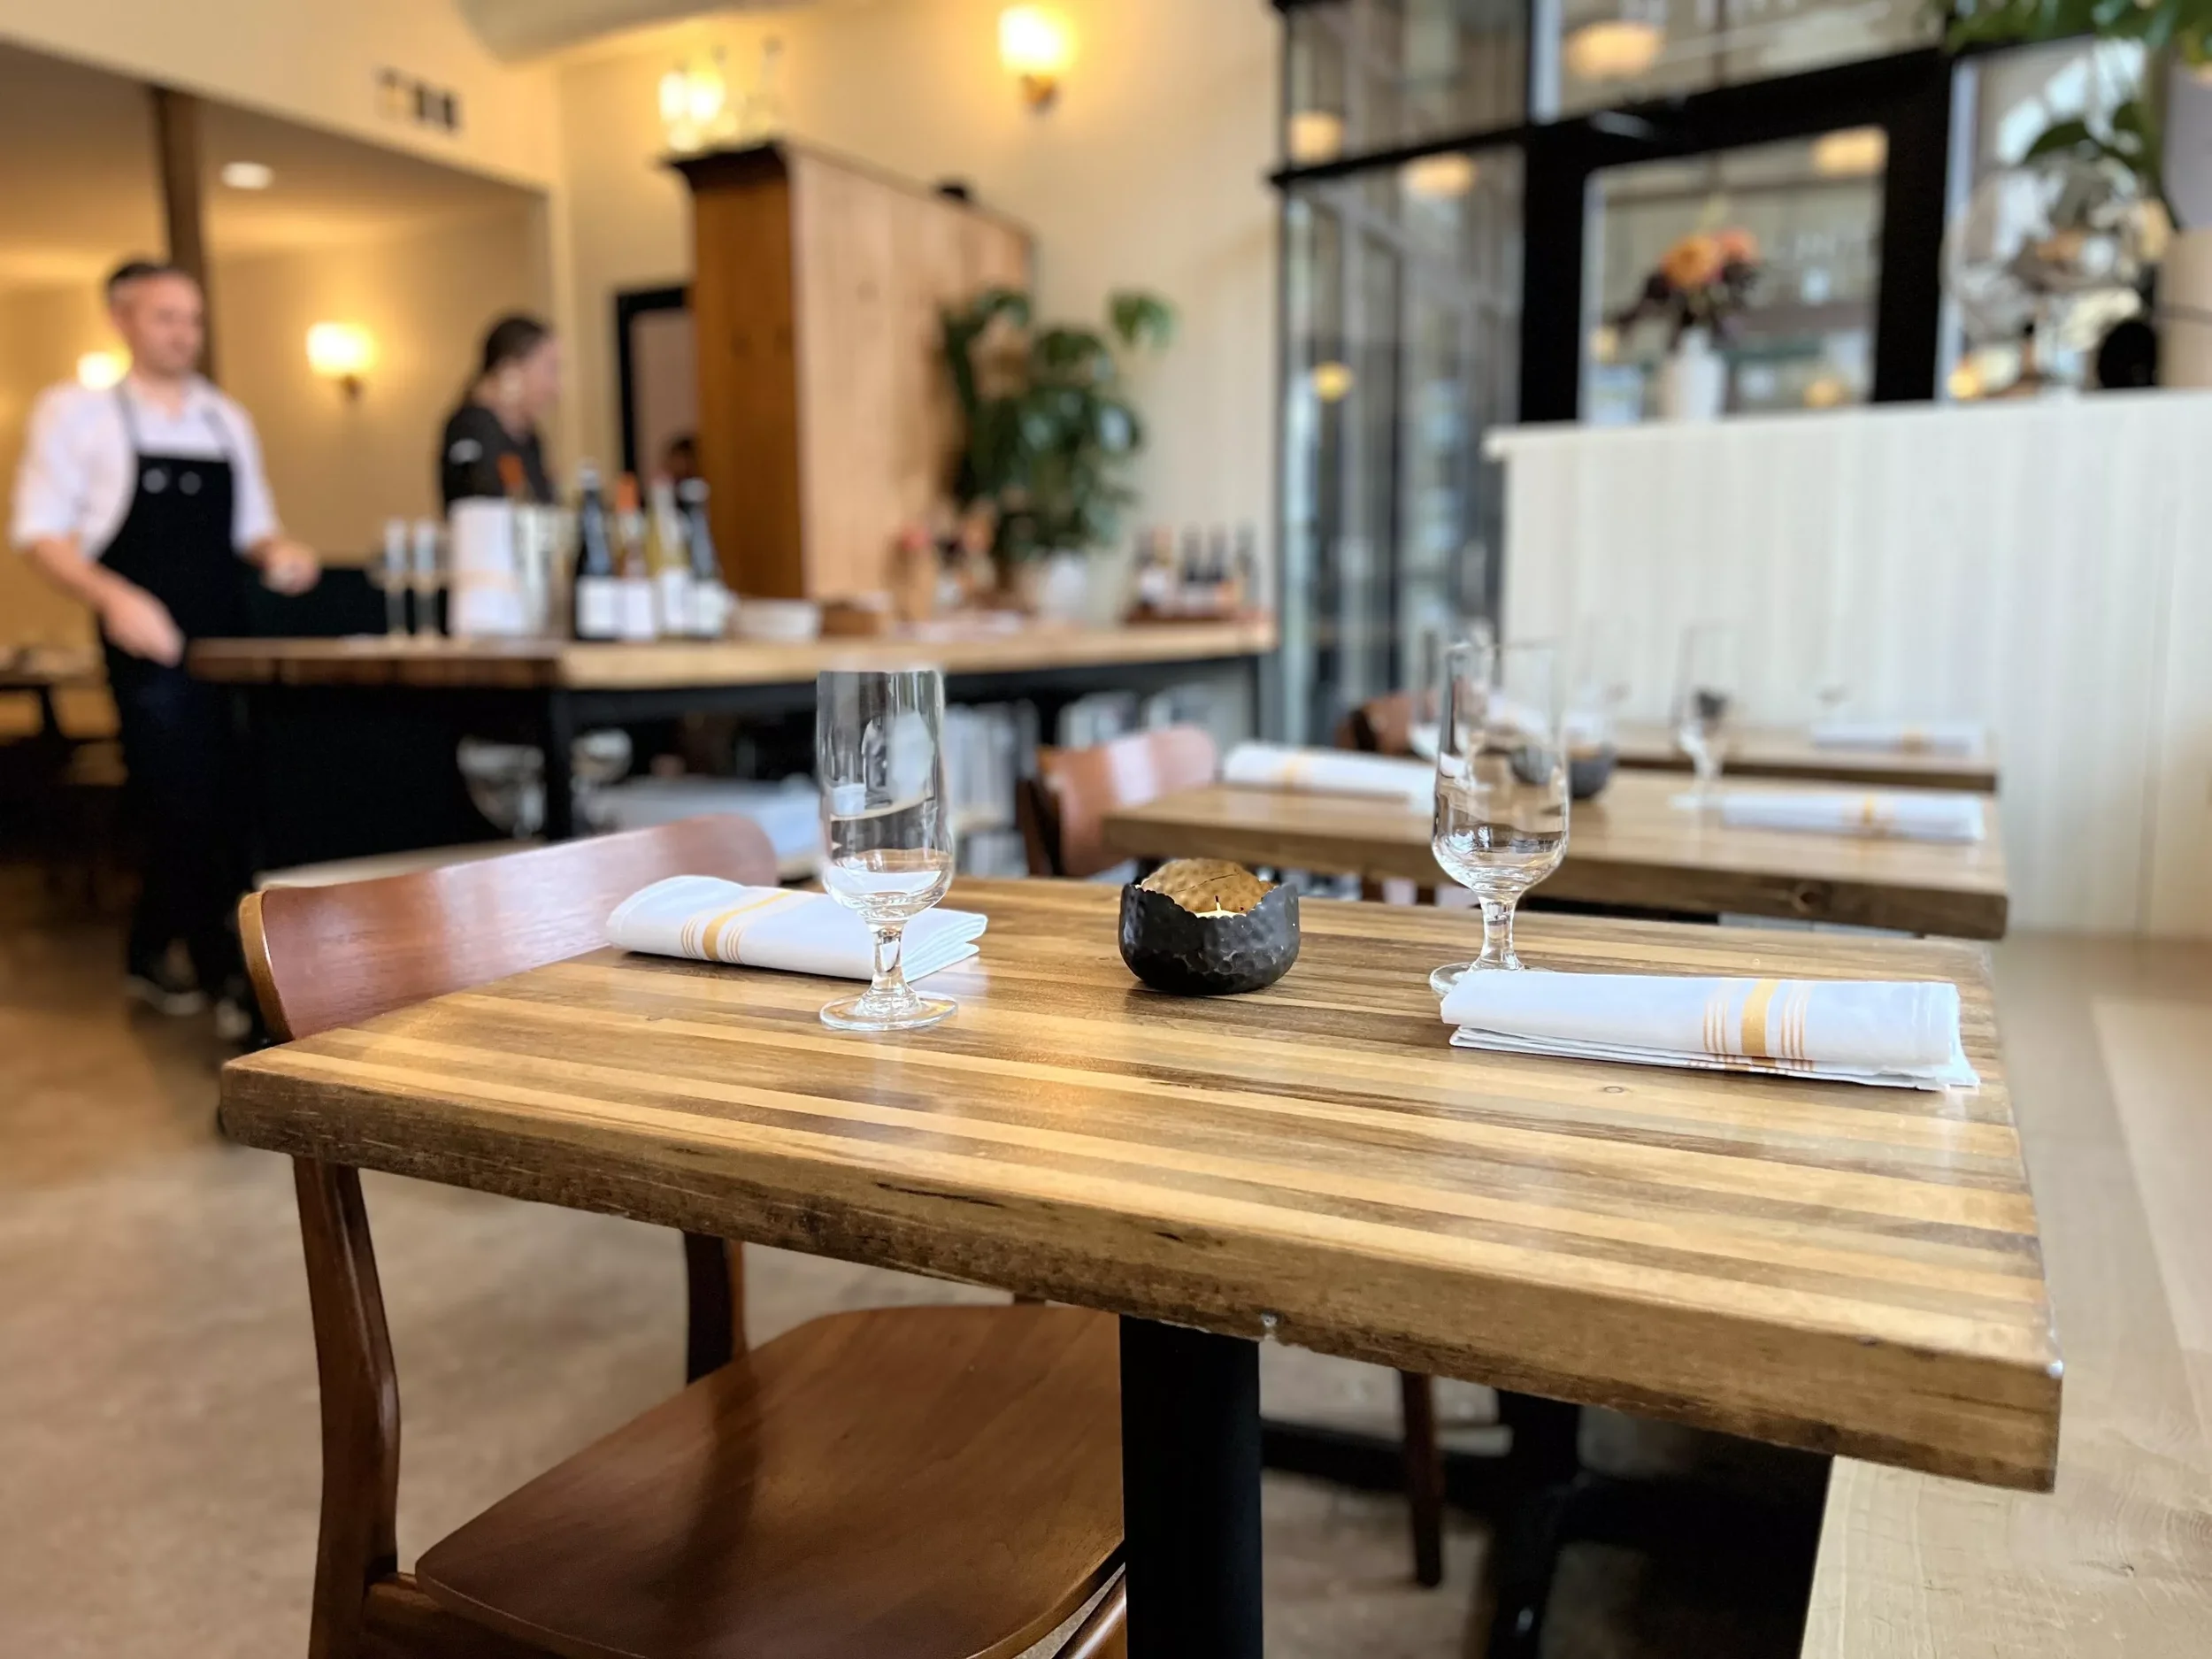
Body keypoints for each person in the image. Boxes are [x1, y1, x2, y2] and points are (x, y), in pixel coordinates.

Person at [11, 259, 319, 1037]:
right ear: (122, 319)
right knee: (177, 798)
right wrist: (113, 595)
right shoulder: (76, 412)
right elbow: (38, 531)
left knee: (230, 796)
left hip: (227, 637)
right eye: (166, 317)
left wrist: (285, 554)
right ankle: (221, 973)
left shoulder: (223, 417)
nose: (184, 333)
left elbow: (253, 528)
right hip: (143, 634)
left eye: (193, 319)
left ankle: (153, 948)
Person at [439, 313, 560, 508]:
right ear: (509, 371)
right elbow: (484, 504)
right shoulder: (473, 427)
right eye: (550, 369)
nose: (555, 388)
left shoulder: (530, 438)